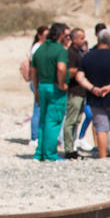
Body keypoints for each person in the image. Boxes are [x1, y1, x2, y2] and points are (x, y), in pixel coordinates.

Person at [75, 30, 110, 158]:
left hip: (96, 98)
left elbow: (79, 77)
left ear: (98, 41)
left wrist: (92, 88)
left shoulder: (88, 57)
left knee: (101, 128)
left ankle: (102, 156)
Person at [30, 22, 69, 162]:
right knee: (54, 120)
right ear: (60, 35)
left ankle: (39, 152)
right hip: (54, 88)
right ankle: (50, 154)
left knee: (43, 120)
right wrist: (62, 83)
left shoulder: (40, 49)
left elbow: (33, 72)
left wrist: (35, 90)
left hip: (41, 86)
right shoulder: (60, 50)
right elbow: (61, 68)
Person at [63, 28, 95, 158]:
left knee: (76, 120)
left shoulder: (78, 53)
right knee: (71, 121)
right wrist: (82, 70)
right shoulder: (70, 53)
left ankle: (73, 146)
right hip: (74, 91)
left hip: (81, 92)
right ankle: (68, 149)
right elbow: (69, 71)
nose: (83, 40)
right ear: (74, 39)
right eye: (81, 38)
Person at [24, 25, 46, 147]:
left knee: (40, 109)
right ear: (39, 35)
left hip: (39, 81)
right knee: (37, 109)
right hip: (37, 81)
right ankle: (34, 137)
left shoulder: (39, 47)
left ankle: (37, 136)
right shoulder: (37, 48)